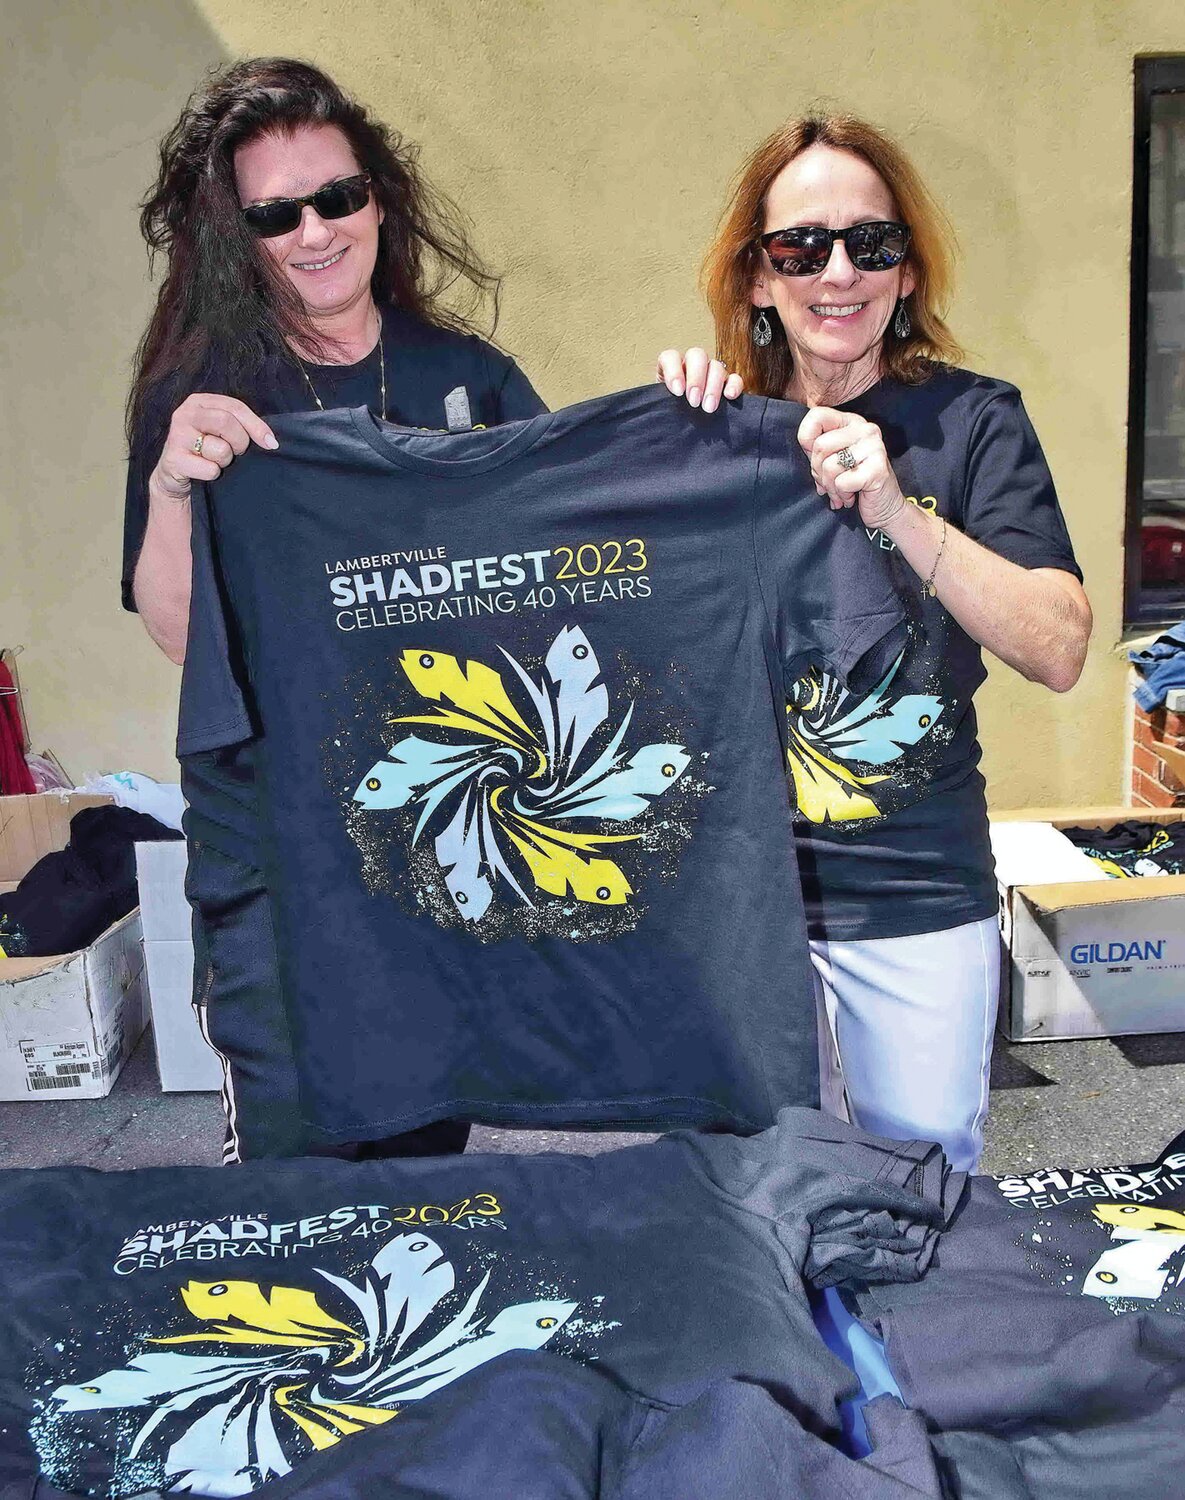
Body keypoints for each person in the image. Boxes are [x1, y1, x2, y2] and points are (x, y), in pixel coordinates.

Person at [124, 58, 701, 1162]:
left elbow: (577, 580)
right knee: (299, 1176)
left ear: (378, 199)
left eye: (337, 197)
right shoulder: (201, 397)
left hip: (433, 840)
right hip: (280, 865)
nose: (314, 232)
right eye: (275, 213)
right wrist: (169, 486)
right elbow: (180, 634)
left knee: (425, 1159)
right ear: (238, 236)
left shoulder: (468, 379)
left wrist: (694, 443)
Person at [659, 113, 1092, 1171]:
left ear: (907, 272)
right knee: (749, 1189)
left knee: (922, 1184)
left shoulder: (974, 422)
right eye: (801, 248)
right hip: (737, 894)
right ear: (758, 278)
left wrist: (897, 508)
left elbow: (1060, 644)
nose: (837, 272)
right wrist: (666, 440)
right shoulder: (708, 434)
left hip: (914, 887)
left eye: (872, 243)